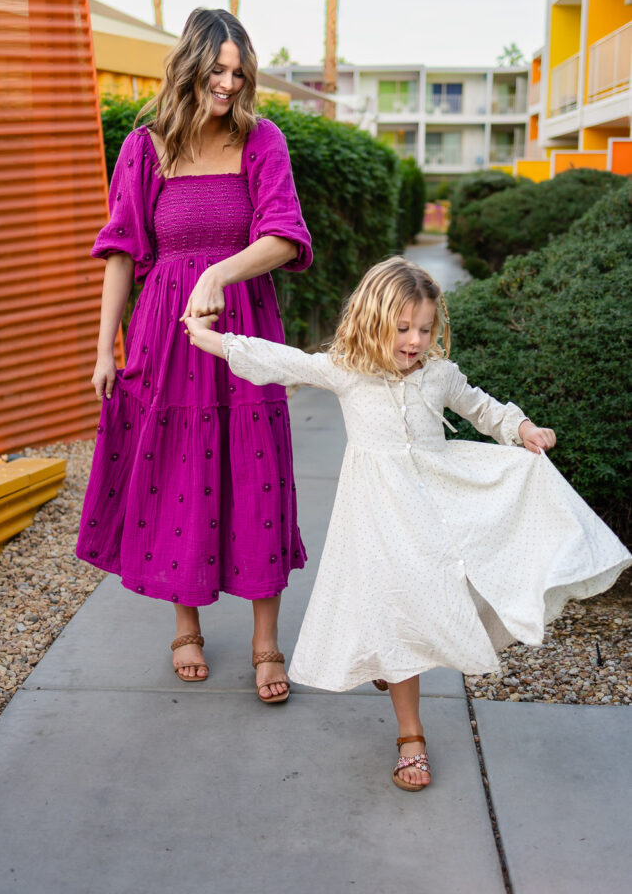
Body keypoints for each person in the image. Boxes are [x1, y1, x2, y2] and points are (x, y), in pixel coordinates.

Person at [185, 255, 630, 789]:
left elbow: (481, 408)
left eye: (424, 328)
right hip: (375, 518)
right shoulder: (347, 371)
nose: (415, 340)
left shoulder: (439, 375)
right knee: (397, 613)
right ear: (374, 321)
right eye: (402, 328)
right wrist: (203, 335)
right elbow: (278, 360)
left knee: (435, 603)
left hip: (438, 507)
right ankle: (410, 736)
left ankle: (397, 656)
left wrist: (522, 428)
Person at [76, 8, 313, 704]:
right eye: (218, 71)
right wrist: (103, 351)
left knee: (257, 473)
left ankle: (266, 642)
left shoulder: (261, 140)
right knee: (176, 471)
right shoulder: (144, 148)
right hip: (164, 337)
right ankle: (187, 624)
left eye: (240, 74)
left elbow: (284, 237)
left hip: (242, 336)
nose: (229, 85)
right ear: (190, 68)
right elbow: (121, 252)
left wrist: (217, 274)